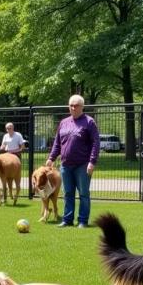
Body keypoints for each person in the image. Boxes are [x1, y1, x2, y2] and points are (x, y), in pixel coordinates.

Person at [46, 94, 99, 229]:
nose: (73, 108)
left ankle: (82, 221)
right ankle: (67, 219)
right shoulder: (63, 123)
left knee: (83, 194)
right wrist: (51, 158)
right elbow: (57, 143)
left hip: (83, 165)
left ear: (82, 107)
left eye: (76, 105)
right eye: (71, 105)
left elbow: (95, 143)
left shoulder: (89, 122)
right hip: (65, 165)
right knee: (68, 193)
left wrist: (92, 162)